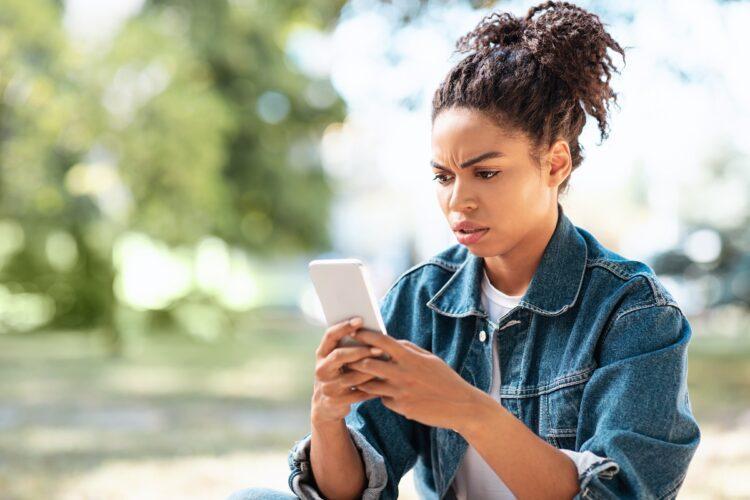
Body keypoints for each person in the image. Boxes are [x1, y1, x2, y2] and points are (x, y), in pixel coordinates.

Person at [227, 1, 701, 498]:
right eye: (443, 176)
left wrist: (466, 408)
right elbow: (349, 492)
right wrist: (328, 418)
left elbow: (620, 493)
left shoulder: (633, 311)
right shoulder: (422, 297)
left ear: (555, 163)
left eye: (487, 172)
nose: (459, 200)